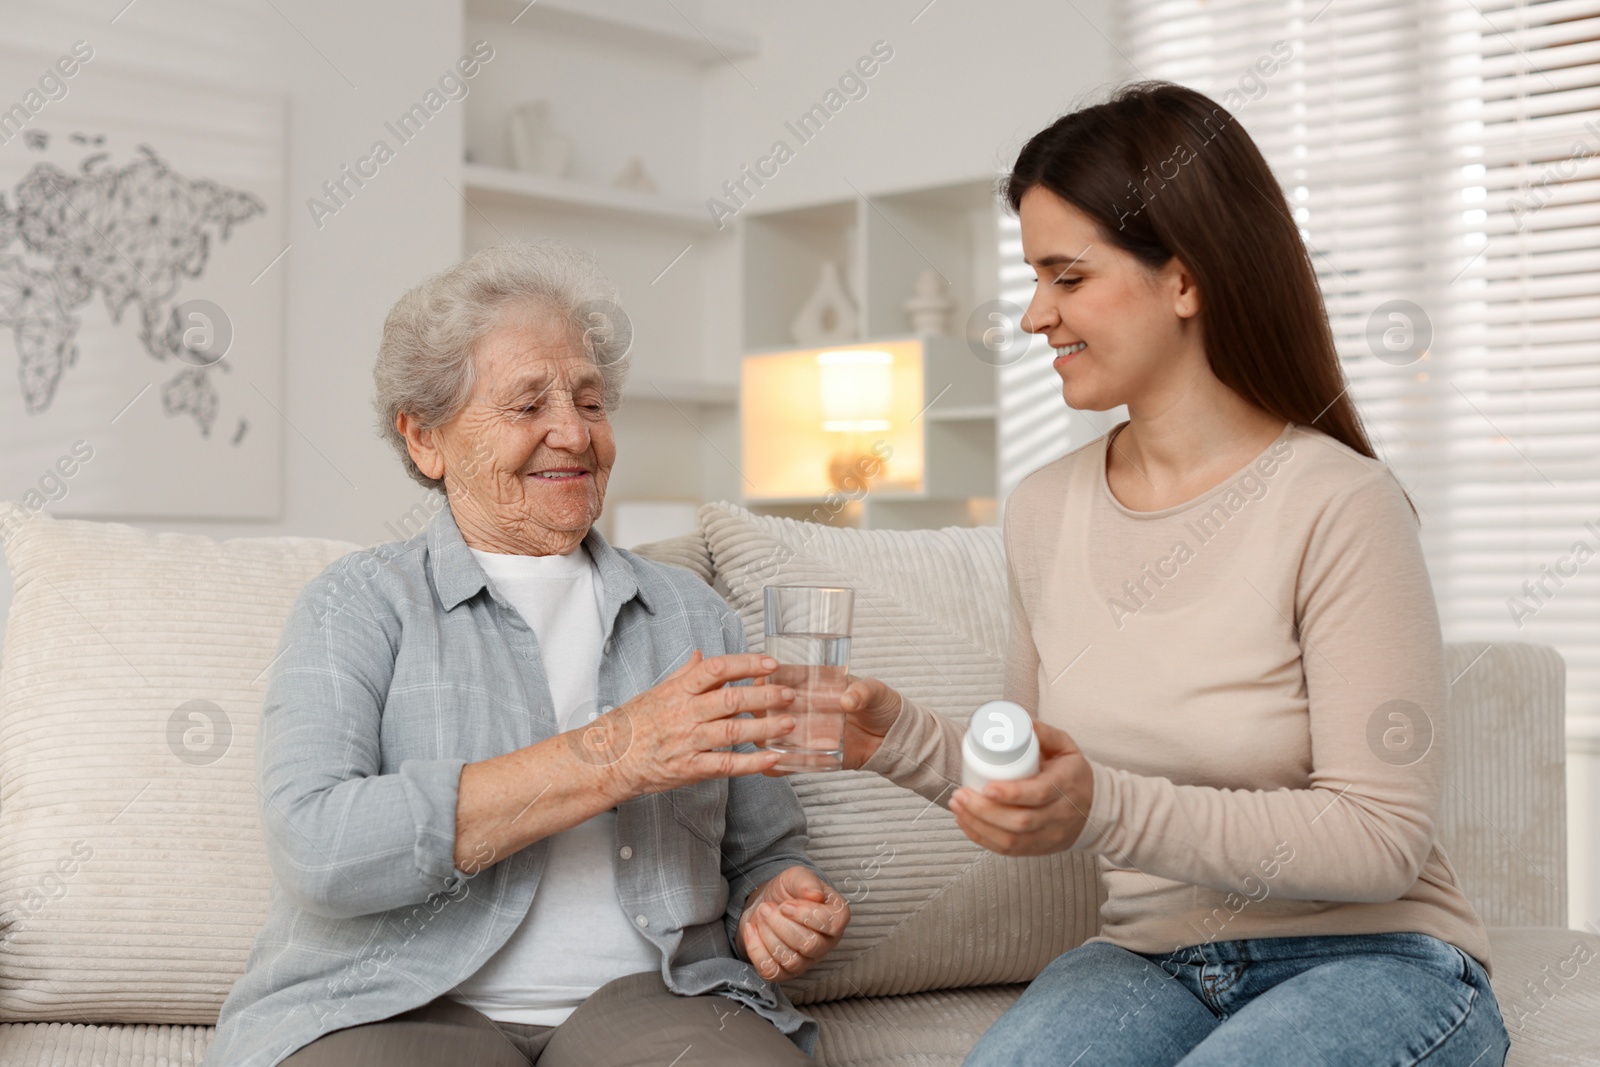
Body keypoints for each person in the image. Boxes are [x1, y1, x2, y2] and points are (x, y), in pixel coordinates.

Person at [826, 82, 1511, 1067]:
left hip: (1374, 953)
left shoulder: (1338, 502)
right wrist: (897, 737)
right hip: (1149, 957)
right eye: (1032, 277)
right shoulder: (1043, 506)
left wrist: (1104, 803)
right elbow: (1039, 772)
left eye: (1065, 276)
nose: (1030, 315)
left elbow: (1379, 835)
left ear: (1182, 280)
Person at [206, 241, 849, 1067]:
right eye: (527, 406)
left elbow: (764, 850)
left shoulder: (691, 614)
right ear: (425, 438)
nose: (572, 434)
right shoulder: (355, 604)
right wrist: (615, 754)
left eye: (589, 401)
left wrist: (777, 902)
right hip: (399, 998)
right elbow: (318, 847)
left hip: (655, 1000)